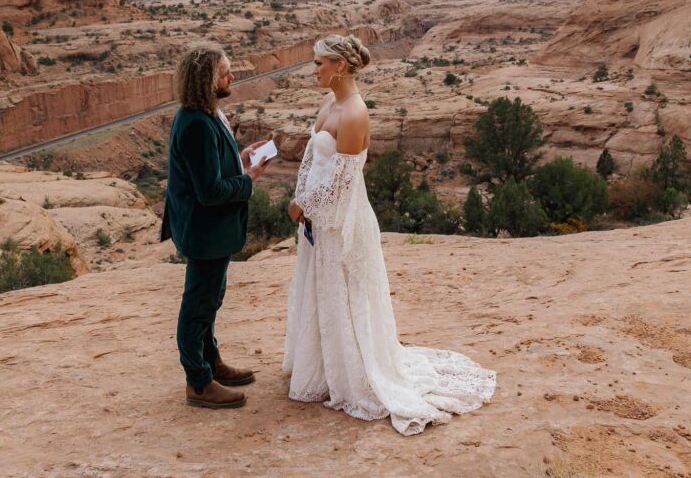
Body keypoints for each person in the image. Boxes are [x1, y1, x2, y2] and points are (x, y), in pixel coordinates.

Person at [284, 34, 496, 435]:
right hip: (317, 218)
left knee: (346, 292)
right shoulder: (328, 102)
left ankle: (355, 374)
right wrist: (301, 201)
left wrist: (304, 207)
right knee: (321, 290)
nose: (314, 70)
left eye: (318, 63)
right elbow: (313, 161)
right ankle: (325, 368)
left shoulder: (354, 113)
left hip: (341, 220)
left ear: (340, 66)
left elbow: (342, 184)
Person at [162, 42, 271, 409]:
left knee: (211, 300)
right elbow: (208, 192)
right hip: (204, 230)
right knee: (198, 305)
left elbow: (208, 169)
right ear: (207, 79)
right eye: (225, 72)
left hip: (210, 231)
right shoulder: (195, 123)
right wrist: (249, 179)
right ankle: (198, 381)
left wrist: (239, 161)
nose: (232, 76)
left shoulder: (205, 113)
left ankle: (211, 362)